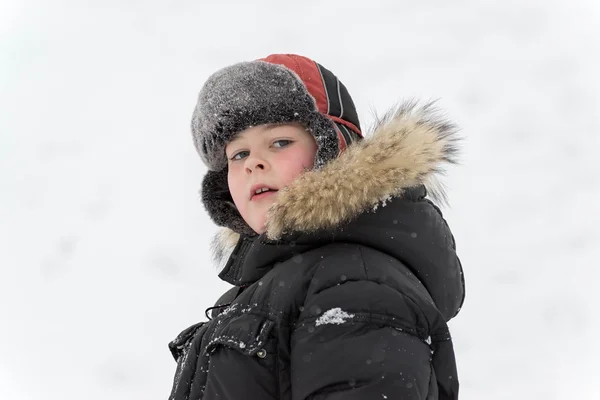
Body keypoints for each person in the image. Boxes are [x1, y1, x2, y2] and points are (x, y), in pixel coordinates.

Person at [167, 54, 465, 400]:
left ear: (334, 148)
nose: (254, 164)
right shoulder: (278, 286)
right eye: (238, 154)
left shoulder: (355, 284)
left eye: (280, 142)